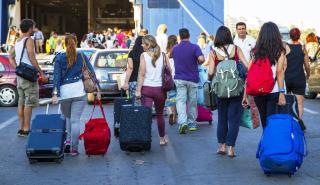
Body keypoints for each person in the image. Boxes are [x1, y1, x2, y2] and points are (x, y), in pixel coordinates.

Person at [52, 35, 101, 156]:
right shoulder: (81, 56)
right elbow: (91, 72)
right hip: (79, 91)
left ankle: (67, 141)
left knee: (67, 118)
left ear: (64, 44)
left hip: (65, 93)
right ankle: (74, 148)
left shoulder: (59, 58)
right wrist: (97, 89)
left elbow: (56, 77)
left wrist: (55, 93)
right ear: (76, 42)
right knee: (75, 121)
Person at [208, 26, 248, 157]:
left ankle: (222, 146)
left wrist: (211, 79)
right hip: (236, 88)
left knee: (222, 118)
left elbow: (211, 72)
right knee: (234, 119)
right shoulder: (236, 49)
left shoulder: (213, 52)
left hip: (220, 90)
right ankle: (231, 148)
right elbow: (247, 66)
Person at [243, 22, 287, 129]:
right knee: (272, 121)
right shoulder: (280, 50)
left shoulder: (255, 51)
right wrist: (282, 93)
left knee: (264, 120)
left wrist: (245, 95)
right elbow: (279, 71)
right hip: (274, 90)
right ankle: (271, 144)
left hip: (258, 90)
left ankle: (266, 143)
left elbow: (249, 73)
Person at [8, 19, 48, 137]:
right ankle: (26, 129)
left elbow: (10, 57)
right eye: (34, 27)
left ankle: (21, 128)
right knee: (29, 102)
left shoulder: (18, 40)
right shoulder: (29, 40)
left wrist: (17, 68)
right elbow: (32, 58)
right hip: (29, 76)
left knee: (21, 102)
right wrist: (41, 73)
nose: (34, 29)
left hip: (20, 76)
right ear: (30, 28)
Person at [135, 35, 170, 146]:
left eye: (143, 43)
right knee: (160, 115)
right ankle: (162, 139)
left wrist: (138, 90)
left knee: (146, 115)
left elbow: (141, 73)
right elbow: (168, 71)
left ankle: (146, 138)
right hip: (160, 90)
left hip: (147, 89)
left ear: (148, 45)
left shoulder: (143, 55)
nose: (141, 45)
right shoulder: (163, 55)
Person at [172, 28, 205, 134]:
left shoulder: (175, 48)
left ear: (179, 37)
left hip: (180, 79)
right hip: (192, 79)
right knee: (192, 101)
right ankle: (191, 122)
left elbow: (169, 56)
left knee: (180, 101)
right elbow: (201, 59)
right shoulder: (195, 47)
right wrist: (198, 61)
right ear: (189, 36)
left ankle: (182, 122)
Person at [285, 28, 310, 131]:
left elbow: (283, 63)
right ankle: (299, 122)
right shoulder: (303, 48)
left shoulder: (285, 47)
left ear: (290, 36)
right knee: (299, 103)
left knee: (287, 102)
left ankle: (289, 123)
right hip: (299, 77)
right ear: (299, 36)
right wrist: (308, 75)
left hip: (287, 78)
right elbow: (307, 65)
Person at [166, 35, 178, 125]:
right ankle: (177, 115)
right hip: (179, 77)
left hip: (170, 78)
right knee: (180, 97)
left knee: (172, 97)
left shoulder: (167, 54)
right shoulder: (179, 52)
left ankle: (172, 113)